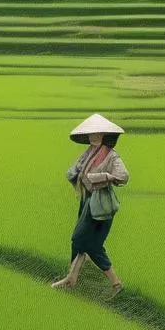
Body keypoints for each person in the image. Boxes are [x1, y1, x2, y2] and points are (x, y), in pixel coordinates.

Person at [51, 113, 129, 296]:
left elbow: (123, 176)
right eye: (90, 134)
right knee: (79, 242)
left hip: (101, 205)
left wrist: (100, 178)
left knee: (86, 242)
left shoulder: (111, 156)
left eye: (97, 133)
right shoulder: (88, 153)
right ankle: (72, 278)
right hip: (86, 202)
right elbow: (76, 170)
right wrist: (75, 173)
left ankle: (116, 284)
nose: (93, 137)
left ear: (104, 135)